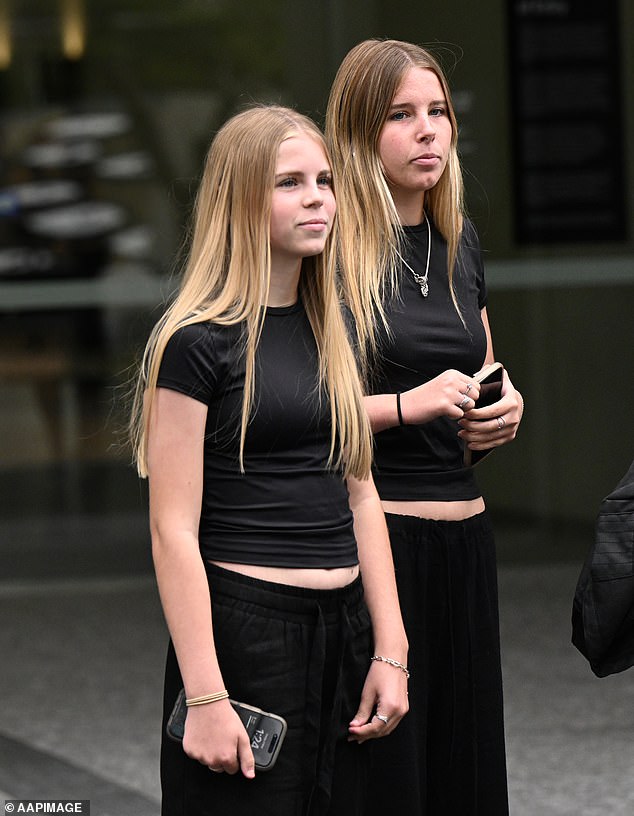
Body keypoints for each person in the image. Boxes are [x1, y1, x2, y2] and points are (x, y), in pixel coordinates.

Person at [129, 104, 409, 816]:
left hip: (345, 631)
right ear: (241, 201)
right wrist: (206, 694)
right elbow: (172, 531)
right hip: (249, 637)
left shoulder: (334, 324)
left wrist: (391, 649)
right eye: (290, 182)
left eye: (324, 180)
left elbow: (362, 497)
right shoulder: (196, 342)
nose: (318, 196)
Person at [325, 39, 525, 815]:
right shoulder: (334, 248)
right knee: (390, 780)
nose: (428, 130)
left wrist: (503, 408)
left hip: (466, 541)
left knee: (467, 775)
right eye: (401, 115)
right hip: (382, 543)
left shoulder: (459, 240)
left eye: (437, 111)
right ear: (359, 133)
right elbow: (306, 407)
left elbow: (481, 369)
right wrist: (409, 404)